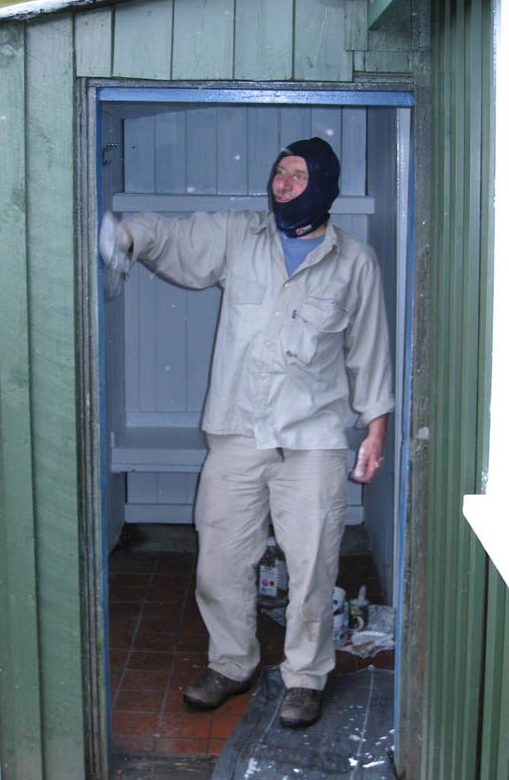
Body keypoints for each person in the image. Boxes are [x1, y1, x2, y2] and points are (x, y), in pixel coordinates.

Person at [100, 136, 394, 728]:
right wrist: (125, 235)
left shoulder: (354, 261)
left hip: (312, 442)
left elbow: (370, 351)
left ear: (323, 185)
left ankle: (306, 676)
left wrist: (376, 430)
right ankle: (233, 663)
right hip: (237, 434)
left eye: (296, 175)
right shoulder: (240, 236)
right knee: (221, 561)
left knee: (313, 566)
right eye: (279, 173)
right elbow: (178, 238)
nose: (282, 184)